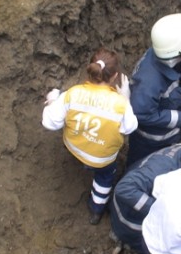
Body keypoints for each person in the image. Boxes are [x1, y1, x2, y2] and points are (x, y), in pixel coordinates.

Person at [41, 47, 138, 225]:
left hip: (75, 147)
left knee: (85, 157)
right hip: (102, 159)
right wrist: (126, 99)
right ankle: (96, 209)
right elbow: (129, 127)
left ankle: (83, 165)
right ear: (114, 76)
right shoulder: (120, 104)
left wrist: (54, 100)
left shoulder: (73, 93)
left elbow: (50, 122)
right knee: (104, 178)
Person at [126, 13, 181, 167]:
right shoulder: (149, 83)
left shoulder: (170, 56)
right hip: (150, 141)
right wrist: (179, 118)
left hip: (170, 136)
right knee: (140, 166)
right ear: (176, 50)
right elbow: (141, 114)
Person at [109, 145, 181, 253]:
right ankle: (129, 241)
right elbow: (124, 189)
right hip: (127, 219)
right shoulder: (161, 171)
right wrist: (161, 210)